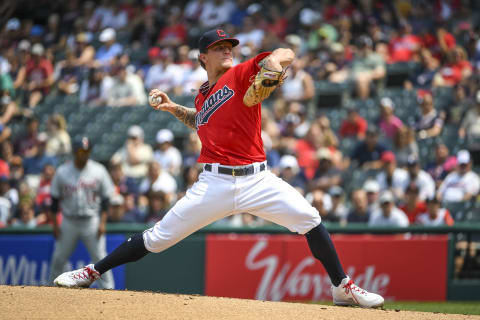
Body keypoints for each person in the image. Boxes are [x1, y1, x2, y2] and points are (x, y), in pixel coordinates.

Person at [53, 28, 384, 308]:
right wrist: (171, 108)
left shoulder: (241, 74)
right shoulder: (203, 95)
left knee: (310, 219)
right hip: (214, 183)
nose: (227, 50)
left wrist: (270, 66)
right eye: (218, 48)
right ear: (202, 58)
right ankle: (92, 272)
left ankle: (341, 287)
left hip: (258, 179)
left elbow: (285, 53)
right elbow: (201, 121)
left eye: (229, 47)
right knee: (157, 238)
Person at [49, 136, 115, 289]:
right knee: (59, 258)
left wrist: (102, 223)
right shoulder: (62, 172)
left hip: (91, 220)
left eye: (86, 151)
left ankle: (110, 290)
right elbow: (54, 201)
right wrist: (55, 225)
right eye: (80, 151)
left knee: (100, 257)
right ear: (74, 152)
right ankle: (50, 290)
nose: (83, 154)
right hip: (69, 221)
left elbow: (106, 199)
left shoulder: (99, 170)